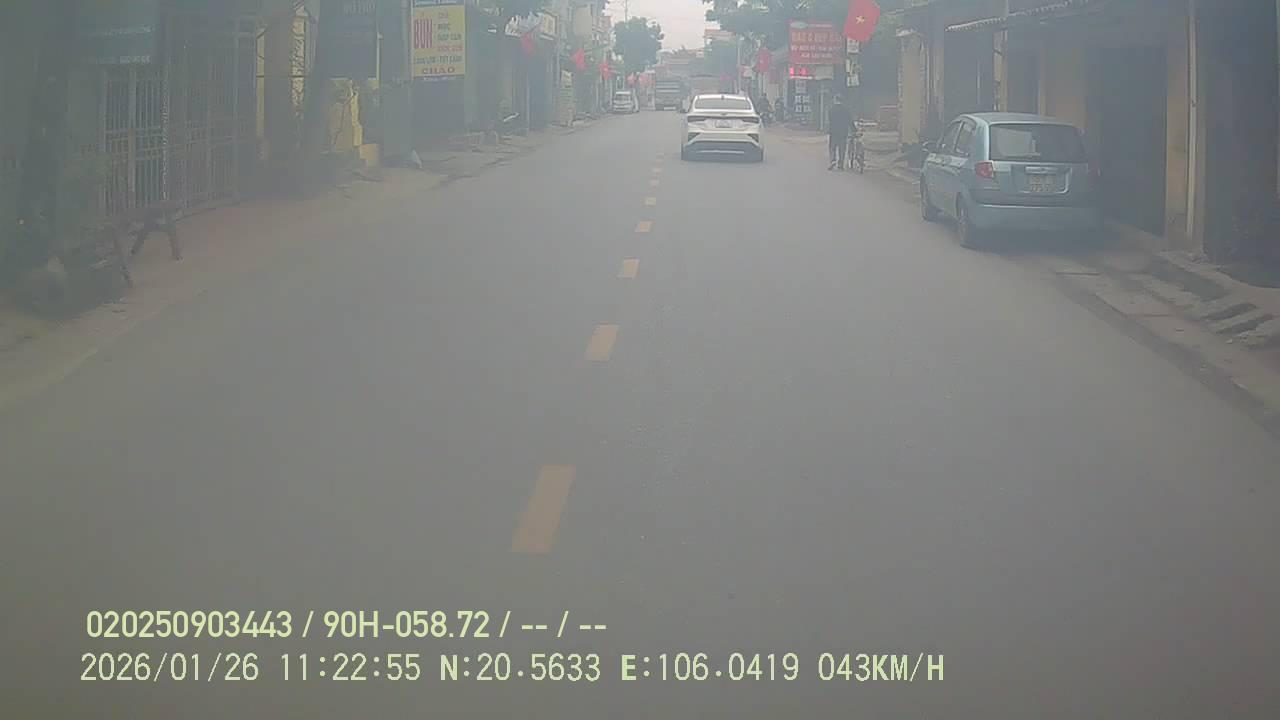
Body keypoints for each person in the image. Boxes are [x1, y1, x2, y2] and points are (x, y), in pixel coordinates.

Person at [828, 94, 852, 170]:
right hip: (843, 132)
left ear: (835, 100)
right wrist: (854, 130)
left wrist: (829, 130)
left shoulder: (831, 109)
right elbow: (850, 121)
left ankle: (833, 160)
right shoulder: (846, 110)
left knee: (832, 147)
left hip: (834, 131)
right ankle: (840, 164)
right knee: (842, 148)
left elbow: (830, 121)